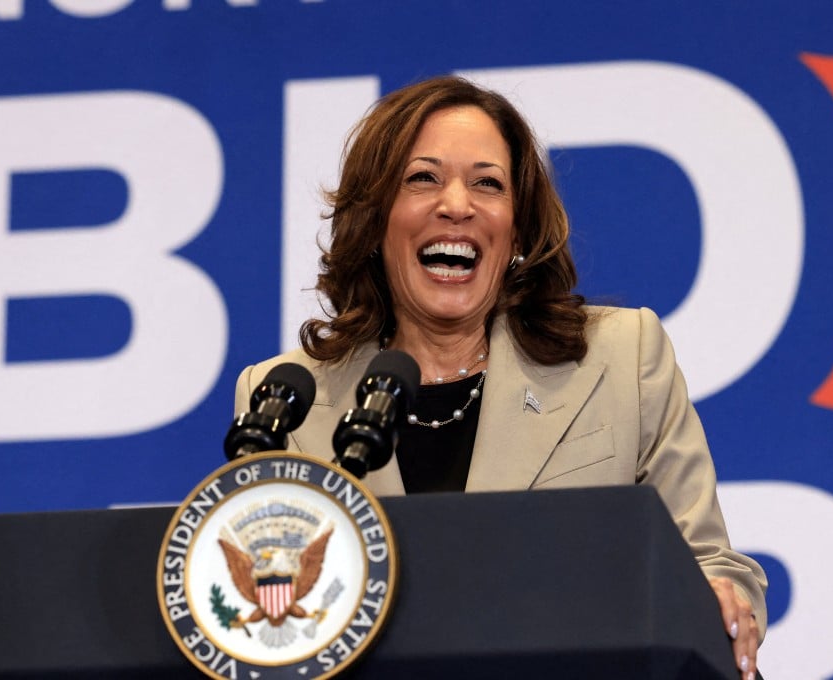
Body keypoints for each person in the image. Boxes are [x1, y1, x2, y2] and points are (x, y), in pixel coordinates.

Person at [235, 75, 767, 679]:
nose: (456, 204)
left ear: (516, 230)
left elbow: (708, 564)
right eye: (422, 179)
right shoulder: (284, 398)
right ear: (376, 220)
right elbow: (260, 620)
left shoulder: (621, 358)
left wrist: (722, 597)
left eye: (487, 183)